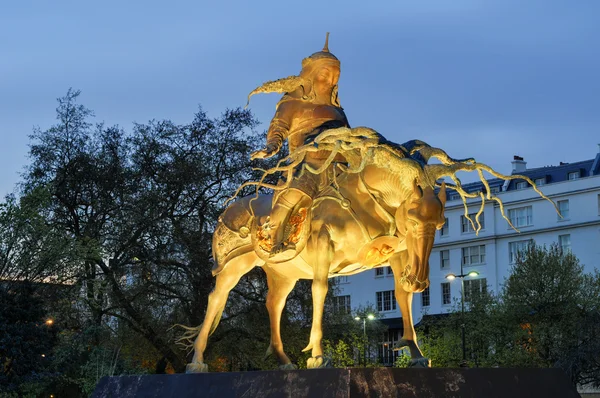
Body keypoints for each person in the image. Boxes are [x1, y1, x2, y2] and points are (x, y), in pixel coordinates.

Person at [246, 33, 350, 257]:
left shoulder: (338, 110)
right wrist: (272, 146)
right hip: (308, 163)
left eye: (336, 76)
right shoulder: (293, 102)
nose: (331, 80)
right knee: (297, 190)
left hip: (340, 163)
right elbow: (279, 127)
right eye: (326, 73)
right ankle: (273, 234)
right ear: (311, 74)